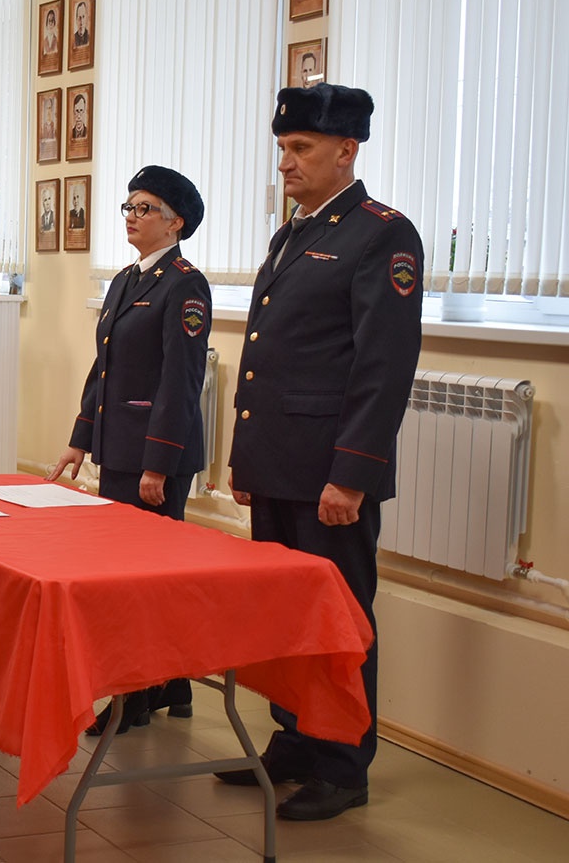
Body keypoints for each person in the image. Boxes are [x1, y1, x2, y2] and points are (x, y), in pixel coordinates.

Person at [218, 83, 423, 821]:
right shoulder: (294, 233)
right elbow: (267, 357)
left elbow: (382, 364)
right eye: (282, 149)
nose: (287, 163)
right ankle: (295, 739)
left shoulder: (381, 234)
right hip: (280, 466)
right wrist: (248, 461)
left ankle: (342, 762)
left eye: (301, 149)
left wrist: (353, 475)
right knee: (285, 615)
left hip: (329, 476)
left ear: (347, 150)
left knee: (338, 621)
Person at [48, 164, 212, 735]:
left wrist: (158, 463)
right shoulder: (123, 280)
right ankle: (170, 685)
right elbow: (105, 367)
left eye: (145, 209)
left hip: (152, 457)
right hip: (116, 449)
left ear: (175, 222)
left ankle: (136, 698)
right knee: (125, 577)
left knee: (145, 581)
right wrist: (78, 439)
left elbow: (181, 380)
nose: (133, 217)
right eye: (129, 207)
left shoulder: (185, 284)